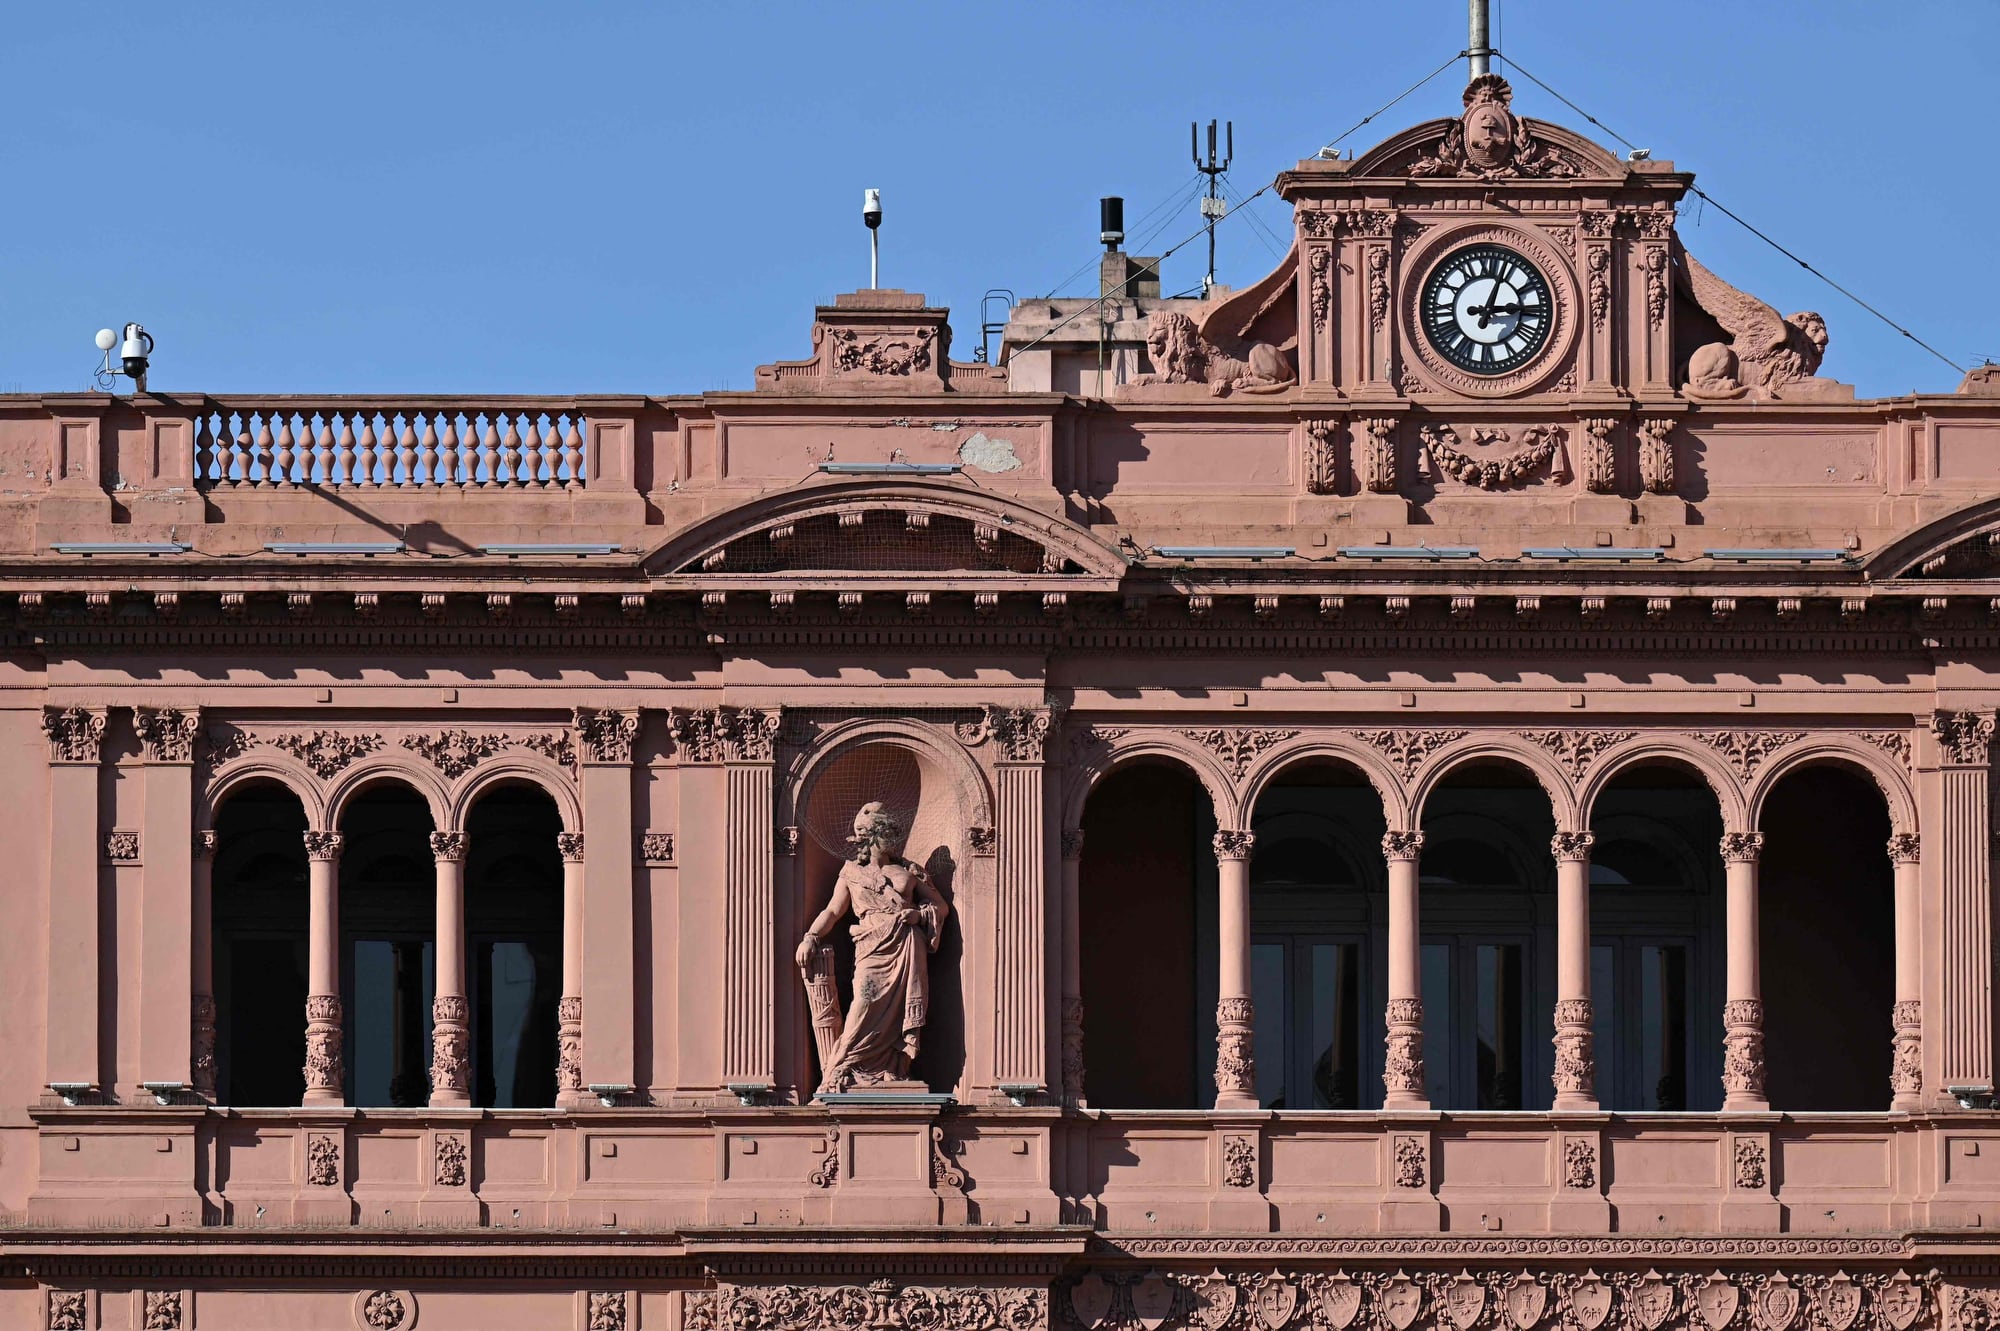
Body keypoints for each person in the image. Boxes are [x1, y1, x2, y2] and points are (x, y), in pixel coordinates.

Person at [796, 802, 950, 1093]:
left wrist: (918, 915)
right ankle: (839, 1068)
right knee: (863, 1006)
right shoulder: (851, 872)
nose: (892, 839)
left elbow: (940, 907)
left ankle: (893, 1070)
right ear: (874, 836)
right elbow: (832, 911)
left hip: (907, 948)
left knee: (899, 1015)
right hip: (872, 948)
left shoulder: (909, 871)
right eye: (886, 833)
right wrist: (811, 937)